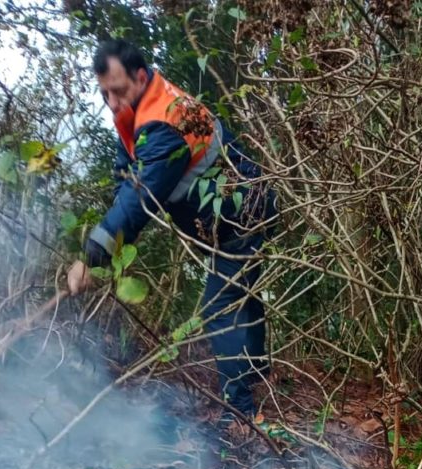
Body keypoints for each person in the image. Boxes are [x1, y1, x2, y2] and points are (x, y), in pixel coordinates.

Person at [67, 39, 276, 418]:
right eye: (104, 95)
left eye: (117, 91)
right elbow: (125, 180)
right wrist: (112, 245)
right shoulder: (135, 112)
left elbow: (141, 196)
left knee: (220, 308)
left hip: (244, 216)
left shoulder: (163, 123)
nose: (112, 103)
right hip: (224, 222)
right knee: (241, 295)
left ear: (141, 76)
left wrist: (93, 255)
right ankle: (257, 373)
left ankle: (241, 413)